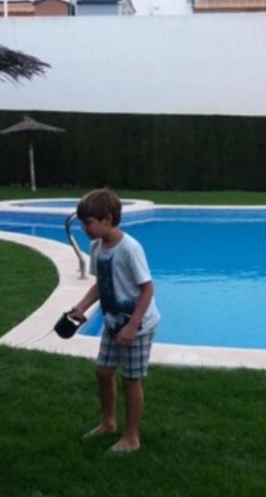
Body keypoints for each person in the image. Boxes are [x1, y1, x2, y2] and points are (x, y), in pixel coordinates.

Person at [68, 188, 161, 454]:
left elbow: (147, 289)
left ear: (107, 219)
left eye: (88, 222)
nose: (84, 228)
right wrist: (81, 308)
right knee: (103, 371)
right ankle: (108, 423)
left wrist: (132, 326)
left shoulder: (129, 249)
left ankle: (131, 438)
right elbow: (101, 284)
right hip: (112, 322)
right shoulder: (97, 246)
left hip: (138, 325)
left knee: (131, 379)